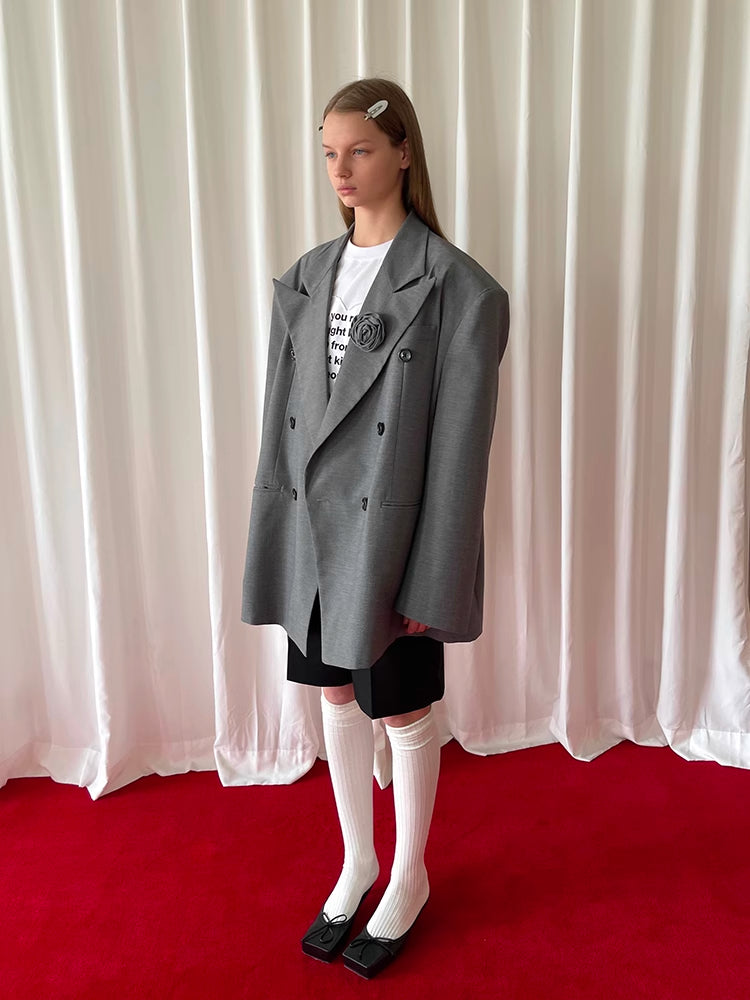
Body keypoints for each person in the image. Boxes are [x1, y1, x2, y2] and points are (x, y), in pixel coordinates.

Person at [241, 77, 510, 979]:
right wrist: (274, 535)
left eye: (359, 149)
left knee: (403, 706)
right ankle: (357, 859)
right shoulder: (306, 275)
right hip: (314, 534)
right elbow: (283, 423)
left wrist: (434, 575)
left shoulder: (460, 289)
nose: (341, 170)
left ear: (402, 151)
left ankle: (408, 873)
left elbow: (460, 455)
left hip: (391, 540)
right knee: (333, 696)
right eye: (329, 152)